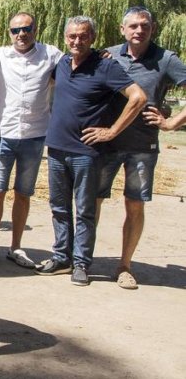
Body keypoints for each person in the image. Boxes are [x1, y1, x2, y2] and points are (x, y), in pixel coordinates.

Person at [37, 16, 146, 287]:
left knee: (85, 210)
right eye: (72, 36)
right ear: (65, 38)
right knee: (59, 208)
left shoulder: (105, 66)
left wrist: (112, 131)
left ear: (92, 38)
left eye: (83, 36)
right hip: (57, 148)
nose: (77, 41)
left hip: (86, 152)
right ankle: (62, 257)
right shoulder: (63, 63)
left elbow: (138, 97)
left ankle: (81, 263)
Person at [95, 6, 186, 289]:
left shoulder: (166, 59)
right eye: (133, 26)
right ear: (122, 29)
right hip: (106, 143)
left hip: (142, 146)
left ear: (153, 28)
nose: (139, 30)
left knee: (134, 204)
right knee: (92, 200)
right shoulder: (108, 55)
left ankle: (125, 266)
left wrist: (172, 123)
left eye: (144, 25)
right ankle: (82, 259)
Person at [0, 12, 62, 268]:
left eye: (26, 29)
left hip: (35, 134)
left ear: (35, 29)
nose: (21, 34)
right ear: (9, 32)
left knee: (23, 193)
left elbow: (70, 71)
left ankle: (16, 247)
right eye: (15, 30)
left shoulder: (51, 55)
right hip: (4, 132)